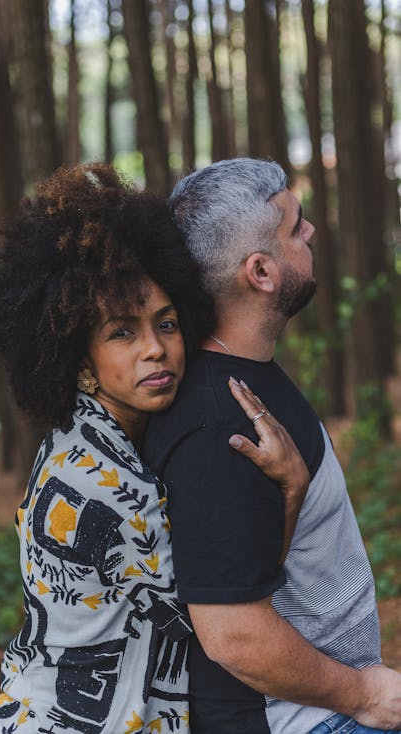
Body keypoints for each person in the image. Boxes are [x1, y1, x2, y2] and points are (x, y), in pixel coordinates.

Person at [0, 163, 309, 734]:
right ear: (77, 356)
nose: (155, 350)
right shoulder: (107, 483)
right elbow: (228, 614)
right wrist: (291, 489)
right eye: (122, 332)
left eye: (165, 323)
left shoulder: (81, 437)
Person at [143, 157, 401, 734]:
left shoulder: (245, 375)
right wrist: (362, 694)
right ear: (260, 272)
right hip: (307, 722)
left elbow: (254, 564)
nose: (309, 230)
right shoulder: (218, 424)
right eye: (294, 225)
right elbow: (232, 632)